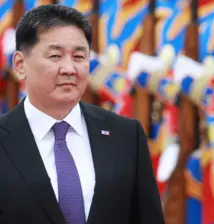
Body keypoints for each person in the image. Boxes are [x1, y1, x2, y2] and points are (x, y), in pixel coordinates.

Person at [0, 4, 164, 224]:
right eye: (55, 56)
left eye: (79, 57)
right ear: (20, 65)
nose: (69, 68)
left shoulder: (125, 136)